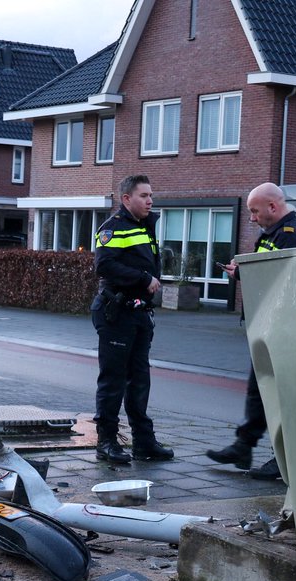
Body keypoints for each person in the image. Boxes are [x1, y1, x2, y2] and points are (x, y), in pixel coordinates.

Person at [206, 182, 296, 480]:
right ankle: (244, 446)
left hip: (283, 330)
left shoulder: (291, 236)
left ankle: (284, 462)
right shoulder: (277, 233)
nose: (251, 218)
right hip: (269, 326)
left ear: (273, 207)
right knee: (259, 391)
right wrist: (242, 271)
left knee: (281, 397)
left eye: (254, 211)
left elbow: (283, 280)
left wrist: (242, 273)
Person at [90, 175, 174, 464]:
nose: (150, 200)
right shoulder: (113, 228)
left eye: (151, 195)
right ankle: (107, 442)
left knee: (140, 380)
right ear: (127, 199)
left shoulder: (146, 226)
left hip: (139, 314)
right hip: (116, 312)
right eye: (144, 195)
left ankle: (143, 442)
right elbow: (103, 265)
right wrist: (143, 278)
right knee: (113, 380)